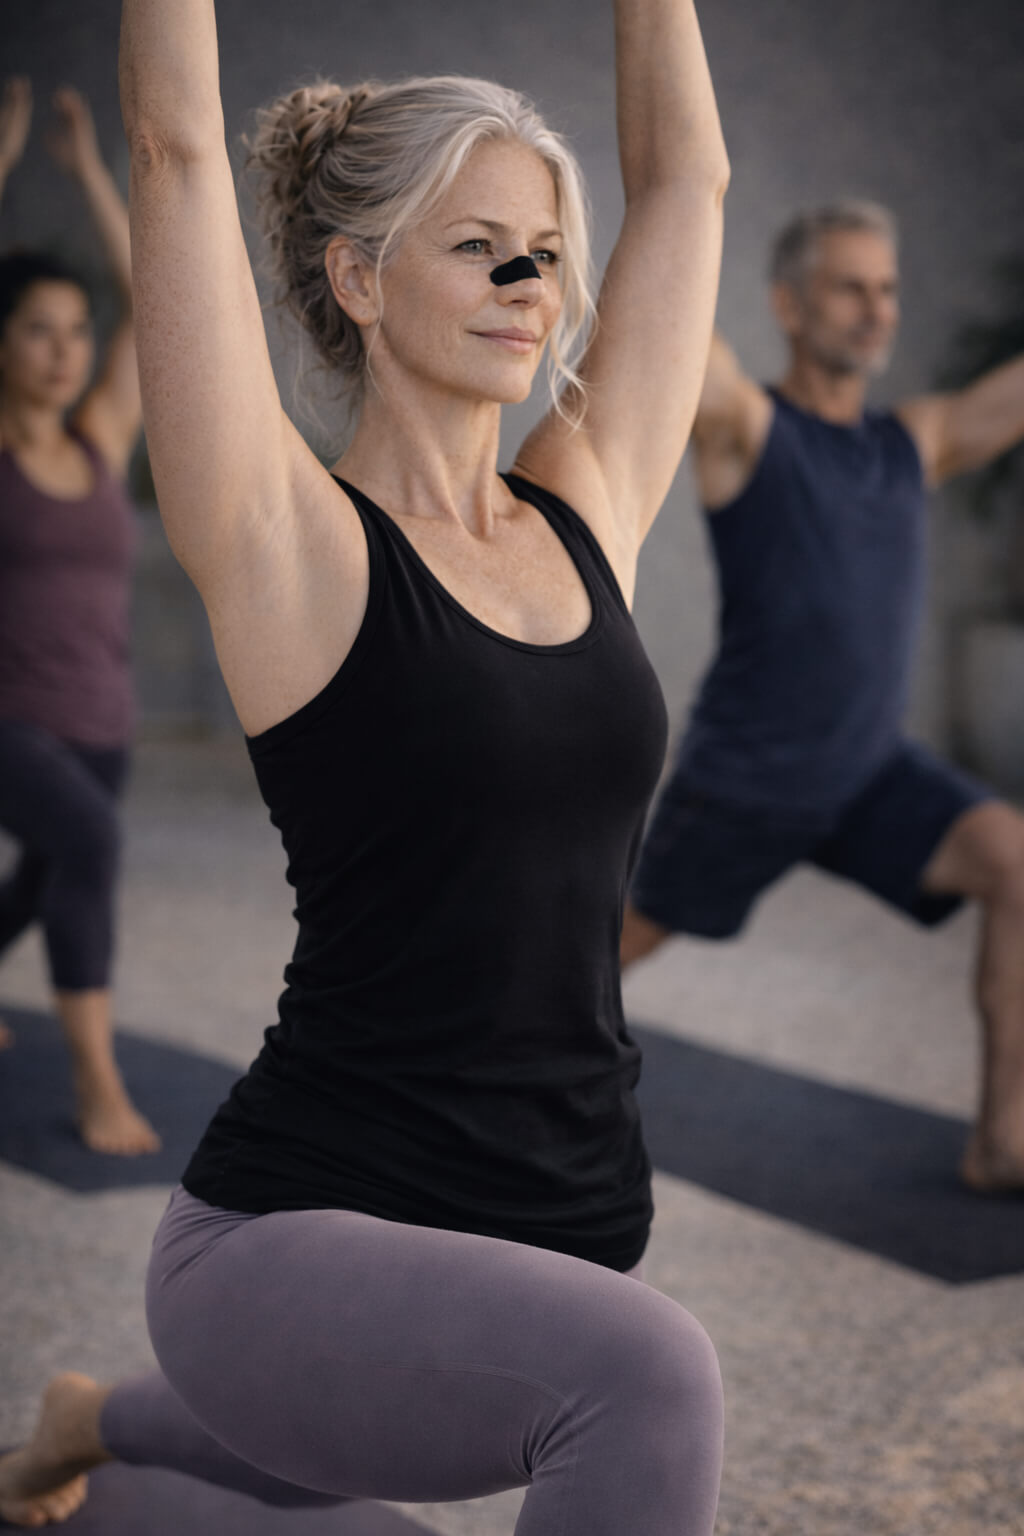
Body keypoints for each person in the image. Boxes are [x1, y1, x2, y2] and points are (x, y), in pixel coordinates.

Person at [0, 0, 731, 1529]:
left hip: (536, 1256)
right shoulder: (294, 547)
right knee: (653, 1381)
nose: (531, 281)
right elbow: (176, 145)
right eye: (478, 246)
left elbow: (684, 188)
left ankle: (95, 1422)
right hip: (289, 1245)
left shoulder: (585, 506)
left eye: (542, 246)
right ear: (359, 275)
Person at [621, 200, 1024, 1193]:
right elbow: (669, 324)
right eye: (850, 287)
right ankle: (427, 1096)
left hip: (870, 773)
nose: (875, 310)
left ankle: (1002, 1141)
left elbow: (1004, 402)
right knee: (572, 974)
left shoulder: (912, 441)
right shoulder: (745, 432)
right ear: (789, 307)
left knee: (1018, 864)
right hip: (746, 778)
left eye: (885, 289)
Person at [0, 77, 158, 1155]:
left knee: (53, 867)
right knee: (91, 849)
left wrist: (92, 172)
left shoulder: (101, 434)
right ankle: (99, 1088)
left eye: (73, 330)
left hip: (103, 718)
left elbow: (151, 304)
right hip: (10, 718)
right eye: (36, 331)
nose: (64, 349)